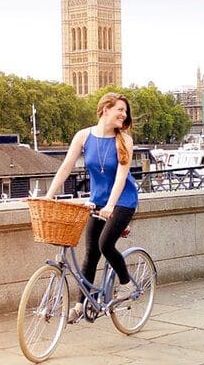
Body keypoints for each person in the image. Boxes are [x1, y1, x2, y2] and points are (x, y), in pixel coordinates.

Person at [45, 92, 139, 323]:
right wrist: (48, 196)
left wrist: (110, 205)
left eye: (125, 112)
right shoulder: (83, 136)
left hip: (123, 201)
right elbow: (66, 167)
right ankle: (80, 304)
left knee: (105, 244)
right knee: (90, 253)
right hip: (97, 201)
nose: (124, 115)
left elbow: (120, 177)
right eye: (120, 110)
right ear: (105, 109)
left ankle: (126, 283)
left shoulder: (124, 140)